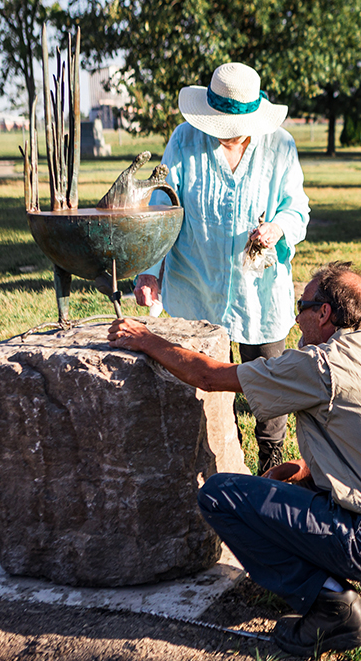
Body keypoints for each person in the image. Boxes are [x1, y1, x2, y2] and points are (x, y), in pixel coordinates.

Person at [108, 261, 361, 657]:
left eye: (302, 305)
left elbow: (211, 377)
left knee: (220, 495)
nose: (296, 316)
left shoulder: (321, 364)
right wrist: (309, 472)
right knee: (320, 499)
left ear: (324, 312)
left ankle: (333, 609)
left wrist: (147, 339)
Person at [134, 62, 310, 475]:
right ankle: (223, 459)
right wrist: (148, 271)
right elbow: (163, 208)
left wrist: (277, 227)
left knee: (269, 378)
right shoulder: (184, 140)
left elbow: (297, 207)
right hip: (197, 282)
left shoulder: (280, 145)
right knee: (205, 384)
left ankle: (271, 459)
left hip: (259, 291)